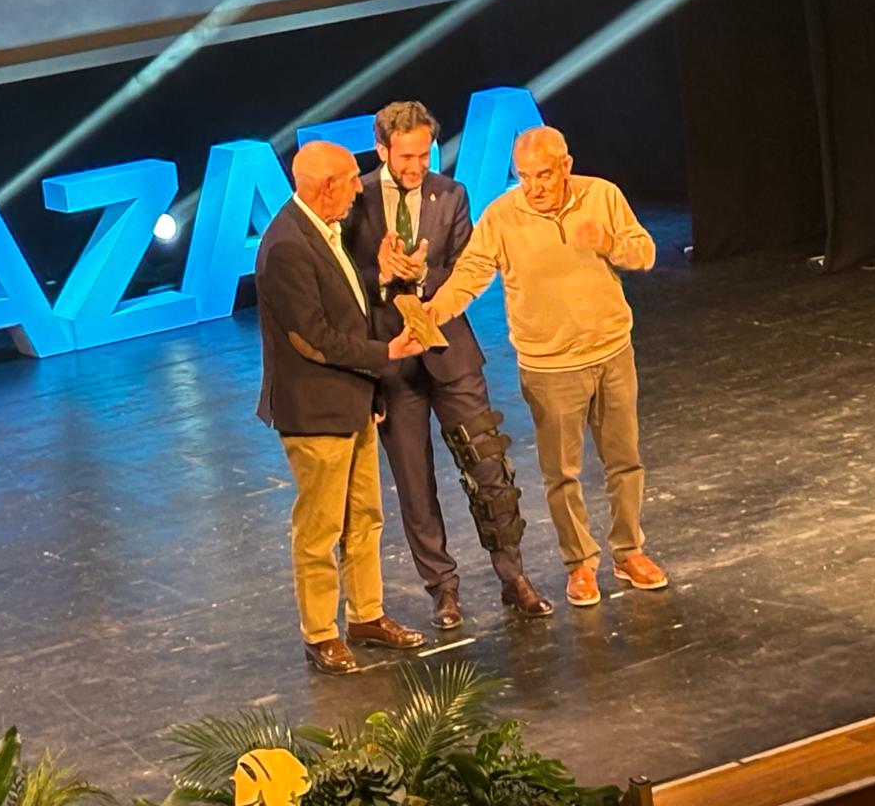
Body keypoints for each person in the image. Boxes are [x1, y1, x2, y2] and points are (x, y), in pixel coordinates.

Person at [420, 126, 665, 608]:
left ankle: (628, 551)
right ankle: (580, 564)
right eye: (524, 176)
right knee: (562, 473)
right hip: (549, 366)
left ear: (566, 167)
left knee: (625, 461)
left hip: (612, 352)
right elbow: (471, 274)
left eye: (544, 175)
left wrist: (609, 241)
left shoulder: (602, 195)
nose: (534, 186)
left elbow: (646, 252)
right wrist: (434, 311)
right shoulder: (503, 216)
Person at [341, 101, 553, 626]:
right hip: (393, 363)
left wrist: (424, 276)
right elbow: (344, 278)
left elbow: (466, 268)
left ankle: (513, 576)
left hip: (450, 354)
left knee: (488, 466)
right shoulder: (357, 199)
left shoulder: (451, 194)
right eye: (406, 155)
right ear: (383, 147)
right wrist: (383, 276)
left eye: (424, 154)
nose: (416, 166)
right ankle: (443, 588)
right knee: (415, 485)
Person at [254, 140, 428, 674]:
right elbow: (313, 339)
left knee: (366, 517)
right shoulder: (286, 244)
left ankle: (366, 614)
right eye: (353, 179)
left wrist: (372, 388)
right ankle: (320, 631)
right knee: (321, 526)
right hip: (315, 411)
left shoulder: (327, 232)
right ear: (324, 185)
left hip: (353, 399)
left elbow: (347, 310)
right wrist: (387, 354)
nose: (360, 188)